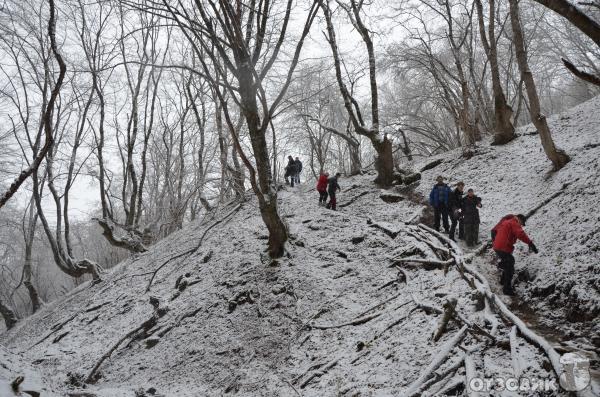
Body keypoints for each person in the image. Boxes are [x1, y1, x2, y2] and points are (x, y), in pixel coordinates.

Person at [491, 214, 538, 296]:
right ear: (519, 219)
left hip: (499, 246)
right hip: (503, 247)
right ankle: (507, 289)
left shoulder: (509, 221)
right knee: (510, 265)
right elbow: (520, 234)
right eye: (521, 223)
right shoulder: (514, 223)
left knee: (508, 262)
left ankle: (502, 280)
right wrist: (530, 243)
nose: (521, 225)